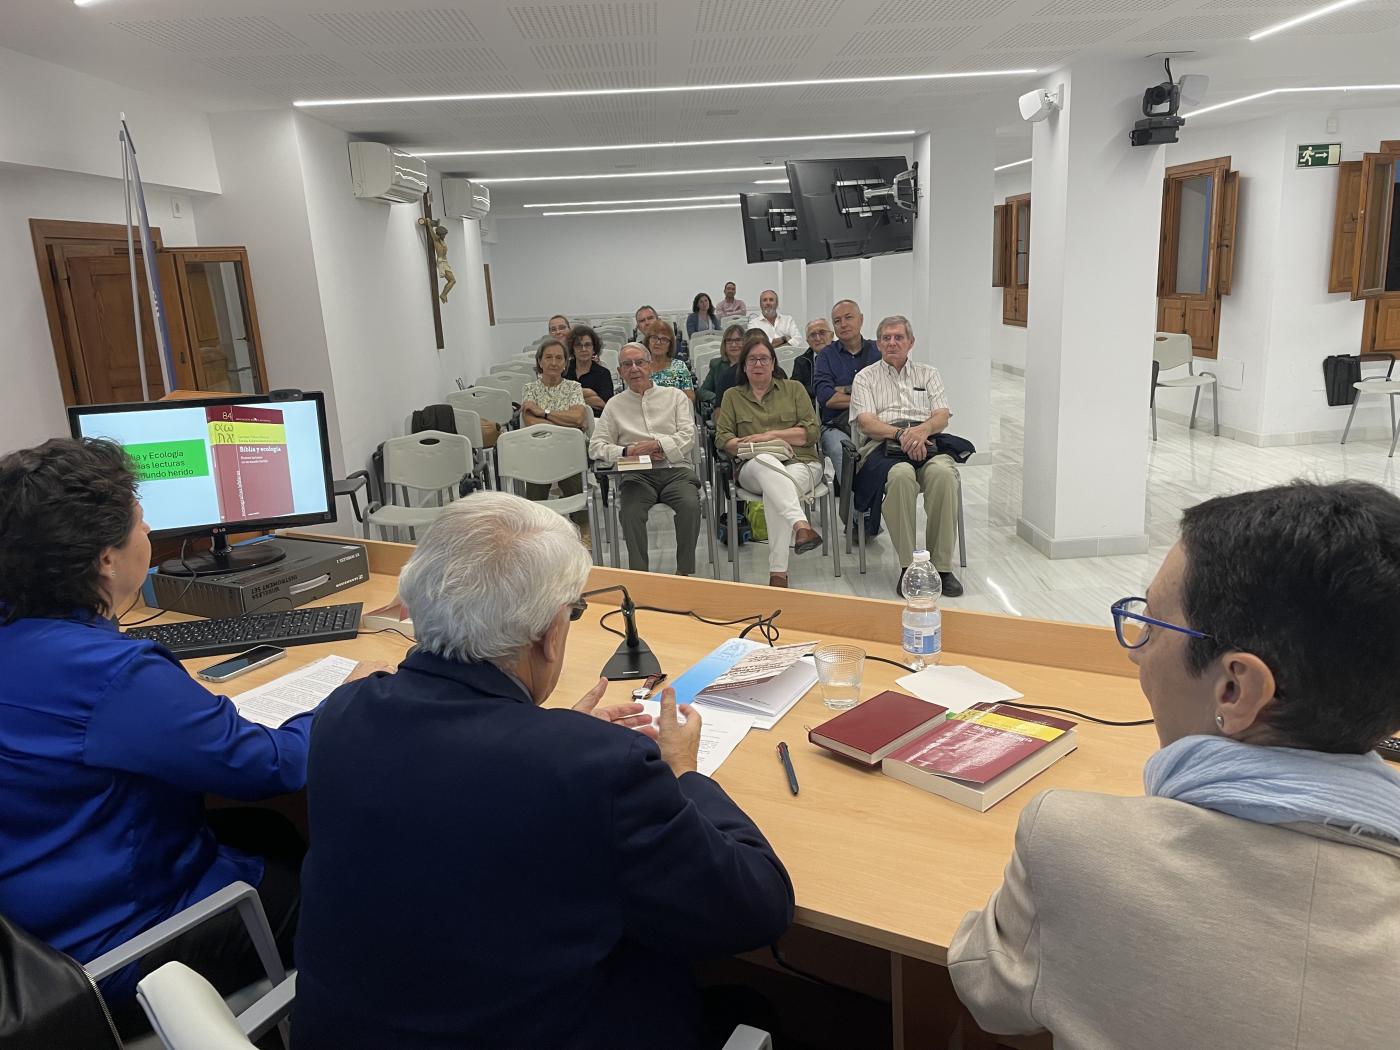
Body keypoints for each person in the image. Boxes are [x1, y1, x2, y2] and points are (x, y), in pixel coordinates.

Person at [293, 493, 794, 1050]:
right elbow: (759, 907)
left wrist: (545, 733)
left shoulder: (342, 712)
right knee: (748, 1004)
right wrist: (683, 772)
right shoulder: (599, 769)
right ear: (549, 634)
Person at [950, 480, 1400, 1050]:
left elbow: (987, 993)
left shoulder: (1070, 843)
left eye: (1155, 627)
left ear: (1236, 689)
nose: (1137, 651)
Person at [0, 438, 381, 1035]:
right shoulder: (113, 676)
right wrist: (345, 700)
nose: (149, 535)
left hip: (32, 933)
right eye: (141, 522)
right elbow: (272, 768)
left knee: (274, 830)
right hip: (120, 951)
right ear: (106, 559)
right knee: (354, 888)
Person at [849, 315, 962, 597]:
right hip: (883, 444)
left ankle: (942, 567)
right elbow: (866, 423)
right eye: (886, 338)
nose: (892, 343)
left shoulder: (928, 373)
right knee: (901, 476)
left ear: (911, 342)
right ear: (877, 344)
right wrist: (901, 435)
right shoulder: (865, 377)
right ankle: (909, 567)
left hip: (927, 440)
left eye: (899, 337)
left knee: (944, 475)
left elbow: (942, 415)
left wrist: (921, 431)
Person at [715, 334, 824, 588]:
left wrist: (772, 435)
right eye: (752, 359)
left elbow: (812, 431)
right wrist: (751, 446)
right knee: (766, 461)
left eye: (764, 358)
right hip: (753, 467)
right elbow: (723, 439)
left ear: (774, 363)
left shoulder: (794, 389)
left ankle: (778, 574)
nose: (758, 364)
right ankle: (801, 525)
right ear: (744, 366)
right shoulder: (733, 396)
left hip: (801, 463)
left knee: (775, 490)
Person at [590, 343, 701, 576]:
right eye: (627, 365)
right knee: (630, 513)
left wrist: (657, 444)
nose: (634, 369)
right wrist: (627, 451)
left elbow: (689, 435)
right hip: (636, 475)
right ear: (620, 372)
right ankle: (641, 576)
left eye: (639, 362)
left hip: (675, 470)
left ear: (650, 366)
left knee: (690, 505)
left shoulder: (675, 397)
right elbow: (596, 447)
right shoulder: (614, 405)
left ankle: (685, 573)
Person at [520, 338, 589, 528]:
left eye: (559, 358)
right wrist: (565, 424)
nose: (553, 362)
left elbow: (578, 418)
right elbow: (531, 423)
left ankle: (582, 531)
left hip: (569, 451)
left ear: (565, 363)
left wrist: (544, 412)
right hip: (539, 451)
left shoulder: (573, 387)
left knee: (569, 458)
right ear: (540, 362)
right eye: (548, 357)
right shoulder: (530, 389)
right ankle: (537, 531)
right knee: (536, 491)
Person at [812, 298, 880, 484]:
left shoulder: (879, 351)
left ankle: (875, 505)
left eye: (848, 317)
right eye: (837, 321)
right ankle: (854, 509)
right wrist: (870, 396)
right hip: (837, 425)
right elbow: (827, 397)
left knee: (885, 453)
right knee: (844, 453)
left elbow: (892, 390)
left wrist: (845, 390)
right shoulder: (826, 355)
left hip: (878, 422)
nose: (843, 324)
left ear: (861, 319)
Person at [565, 323, 614, 413]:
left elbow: (604, 404)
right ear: (573, 349)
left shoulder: (603, 373)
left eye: (587, 345)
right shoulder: (564, 371)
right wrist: (590, 393)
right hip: (567, 419)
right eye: (579, 345)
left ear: (594, 349)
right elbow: (557, 398)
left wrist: (571, 398)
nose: (583, 349)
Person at [645, 320, 696, 403]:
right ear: (648, 341)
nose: (658, 342)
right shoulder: (641, 367)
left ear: (670, 344)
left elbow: (690, 397)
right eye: (654, 338)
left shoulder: (679, 366)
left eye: (664, 339)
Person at [699, 323, 746, 410]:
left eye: (738, 340)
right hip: (722, 409)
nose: (733, 345)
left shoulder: (751, 364)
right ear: (724, 344)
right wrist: (719, 398)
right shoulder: (716, 365)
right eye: (729, 341)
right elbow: (702, 391)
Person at [791, 317, 831, 396]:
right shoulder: (800, 361)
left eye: (822, 333)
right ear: (808, 341)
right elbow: (796, 390)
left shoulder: (843, 355)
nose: (818, 338)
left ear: (831, 335)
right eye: (813, 335)